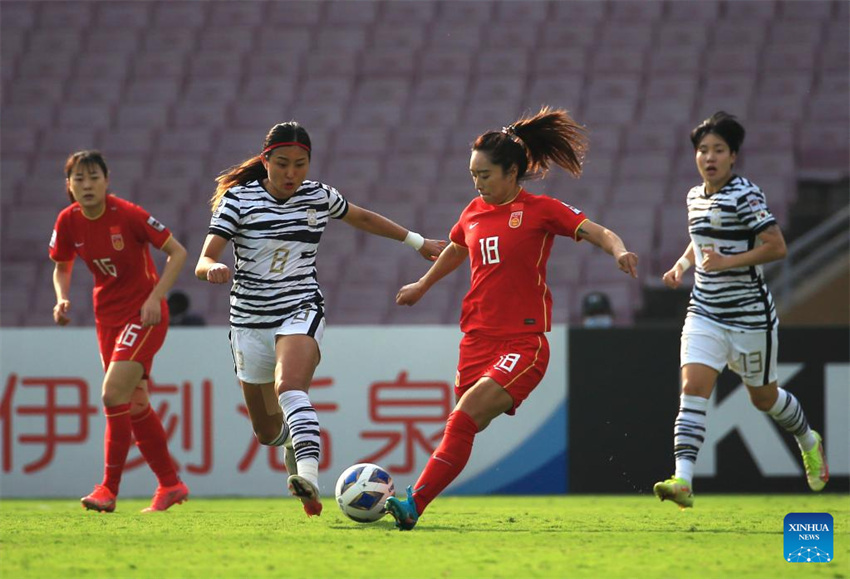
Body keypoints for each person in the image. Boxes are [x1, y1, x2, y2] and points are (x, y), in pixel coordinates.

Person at [386, 106, 639, 530]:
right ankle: (416, 501)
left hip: (523, 343)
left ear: (511, 172)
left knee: (463, 417)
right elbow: (456, 247)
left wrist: (619, 250)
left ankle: (413, 503)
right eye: (472, 174)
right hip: (476, 339)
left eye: (484, 174)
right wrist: (422, 285)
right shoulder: (472, 212)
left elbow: (595, 230)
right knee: (462, 425)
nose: (477, 182)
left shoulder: (540, 210)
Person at [194, 121, 445, 517]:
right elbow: (205, 256)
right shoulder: (238, 201)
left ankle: (309, 474)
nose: (291, 173)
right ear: (265, 161)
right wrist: (210, 267)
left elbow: (362, 217)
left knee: (289, 386)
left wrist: (417, 242)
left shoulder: (319, 196)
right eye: (281, 164)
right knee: (265, 432)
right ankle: (293, 442)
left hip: (300, 308)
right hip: (248, 320)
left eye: (300, 164)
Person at [653, 112, 828, 509]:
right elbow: (700, 239)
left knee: (763, 399)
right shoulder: (694, 196)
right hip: (704, 311)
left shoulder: (746, 195)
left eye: (718, 150)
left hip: (750, 318)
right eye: (703, 150)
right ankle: (683, 480)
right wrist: (683, 265)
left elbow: (776, 246)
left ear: (733, 156)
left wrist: (727, 262)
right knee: (692, 389)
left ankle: (807, 439)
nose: (709, 157)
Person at [49, 150, 190, 513]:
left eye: (93, 176)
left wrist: (156, 298)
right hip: (106, 318)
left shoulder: (127, 214)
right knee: (135, 403)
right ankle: (171, 485)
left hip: (144, 314)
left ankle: (108, 489)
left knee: (113, 395)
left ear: (107, 181)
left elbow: (177, 252)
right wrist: (62, 298)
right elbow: (62, 267)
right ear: (69, 186)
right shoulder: (68, 221)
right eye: (79, 179)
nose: (87, 184)